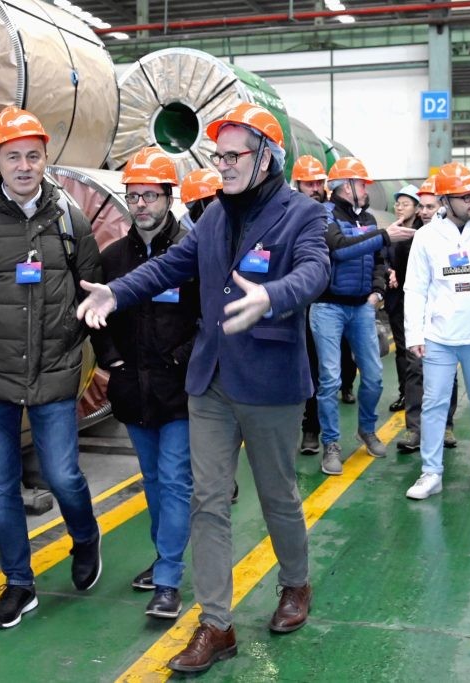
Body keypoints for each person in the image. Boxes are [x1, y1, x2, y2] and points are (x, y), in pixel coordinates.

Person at [78, 102, 329, 674]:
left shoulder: (300, 216)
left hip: (269, 383)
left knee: (277, 495)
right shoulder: (213, 216)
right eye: (219, 155)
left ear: (267, 156)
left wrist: (275, 295)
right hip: (210, 382)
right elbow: (168, 266)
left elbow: (316, 271)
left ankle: (296, 584)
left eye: (235, 155)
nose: (224, 165)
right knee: (208, 500)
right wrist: (117, 293)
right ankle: (216, 624)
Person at [0, 106, 102, 630]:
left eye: (33, 155)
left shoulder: (69, 219)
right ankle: (19, 583)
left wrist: (61, 341)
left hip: (54, 370)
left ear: (44, 159)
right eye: (13, 156)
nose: (25, 165)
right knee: (1, 484)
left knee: (62, 474)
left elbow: (88, 287)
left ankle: (85, 537)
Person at [90, 146, 199, 618]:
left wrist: (181, 360)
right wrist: (111, 361)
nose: (141, 205)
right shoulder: (113, 258)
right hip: (133, 388)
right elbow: (95, 316)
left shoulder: (190, 253)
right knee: (153, 480)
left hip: (178, 390)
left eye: (150, 196)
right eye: (134, 196)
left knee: (175, 480)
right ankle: (163, 558)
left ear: (169, 198)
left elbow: (207, 318)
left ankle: (169, 577)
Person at [403, 162, 470, 500]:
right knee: (433, 403)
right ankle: (431, 471)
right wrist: (414, 334)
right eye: (464, 196)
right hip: (439, 336)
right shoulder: (426, 237)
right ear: (446, 201)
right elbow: (415, 288)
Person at [310, 156, 415, 476]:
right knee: (329, 379)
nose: (366, 189)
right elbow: (338, 249)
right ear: (344, 187)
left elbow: (380, 261)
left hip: (361, 307)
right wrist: (384, 235)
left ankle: (366, 429)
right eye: (361, 184)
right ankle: (331, 443)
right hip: (327, 306)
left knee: (373, 375)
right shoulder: (323, 215)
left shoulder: (368, 218)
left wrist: (379, 290)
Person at [397, 176, 460, 454]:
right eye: (421, 206)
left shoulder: (452, 239)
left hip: (444, 317)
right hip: (416, 315)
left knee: (447, 373)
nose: (423, 212)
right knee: (414, 370)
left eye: (430, 207)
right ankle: (415, 429)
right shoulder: (407, 239)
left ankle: (446, 424)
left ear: (443, 206)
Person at [291, 154, 329, 456]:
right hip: (295, 303)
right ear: (297, 184)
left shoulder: (330, 213)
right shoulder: (288, 214)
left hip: (328, 303)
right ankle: (304, 426)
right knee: (300, 366)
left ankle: (314, 429)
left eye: (319, 182)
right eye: (309, 183)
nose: (314, 188)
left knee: (322, 370)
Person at [384, 184, 422, 412]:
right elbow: (382, 257)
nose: (400, 208)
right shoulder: (390, 232)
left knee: (418, 350)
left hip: (417, 300)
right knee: (401, 349)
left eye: (405, 204)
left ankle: (423, 395)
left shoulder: (422, 233)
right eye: (398, 203)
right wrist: (389, 271)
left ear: (416, 209)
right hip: (397, 301)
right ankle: (405, 394)